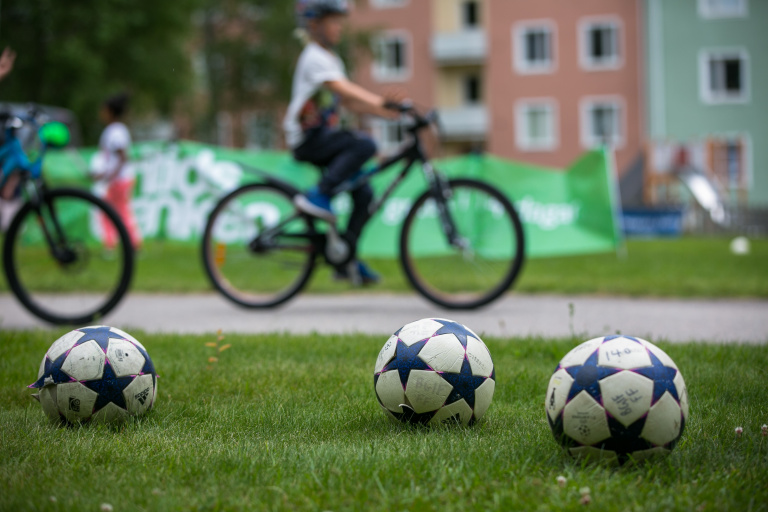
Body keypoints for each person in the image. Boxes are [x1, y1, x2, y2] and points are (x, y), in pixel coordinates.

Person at [285, 0, 402, 284]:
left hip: (324, 137)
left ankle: (345, 259)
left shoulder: (330, 59)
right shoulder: (314, 56)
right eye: (332, 21)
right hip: (307, 137)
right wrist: (380, 100)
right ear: (314, 24)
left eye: (340, 21)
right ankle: (318, 195)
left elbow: (348, 101)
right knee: (364, 145)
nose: (339, 27)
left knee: (363, 194)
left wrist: (386, 112)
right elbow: (341, 88)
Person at [92, 93, 142, 251]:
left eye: (104, 110)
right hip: (120, 179)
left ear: (110, 112)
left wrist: (109, 176)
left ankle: (124, 244)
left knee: (113, 212)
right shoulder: (115, 130)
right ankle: (128, 243)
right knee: (116, 212)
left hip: (119, 180)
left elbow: (122, 157)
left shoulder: (115, 131)